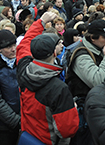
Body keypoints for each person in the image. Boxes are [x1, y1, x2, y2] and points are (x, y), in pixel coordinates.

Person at [16, 11, 79, 144]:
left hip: (28, 135)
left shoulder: (23, 68)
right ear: (54, 52)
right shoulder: (59, 89)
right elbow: (67, 130)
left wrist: (41, 22)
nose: (62, 43)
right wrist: (72, 109)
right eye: (58, 43)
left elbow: (24, 45)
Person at [66, 19, 105, 144]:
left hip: (102, 106)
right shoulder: (81, 55)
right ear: (93, 38)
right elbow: (98, 81)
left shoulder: (101, 48)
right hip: (87, 111)